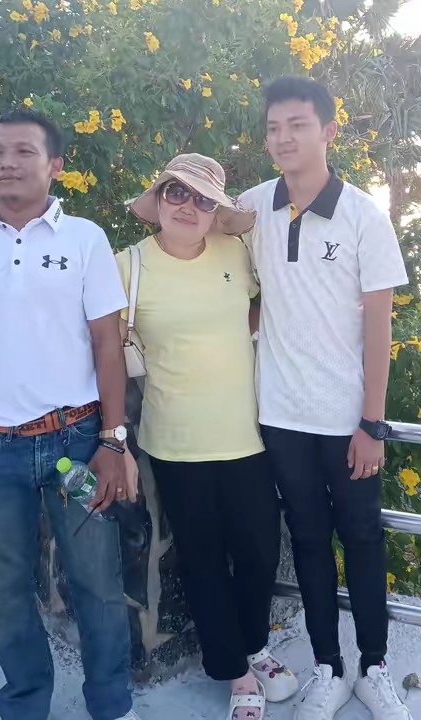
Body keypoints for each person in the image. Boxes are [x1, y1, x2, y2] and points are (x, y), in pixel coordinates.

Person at [0, 108, 142, 720]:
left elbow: (107, 344)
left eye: (23, 152)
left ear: (55, 165)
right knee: (5, 590)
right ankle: (23, 705)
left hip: (77, 442)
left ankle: (111, 705)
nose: (6, 163)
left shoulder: (85, 239)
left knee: (96, 583)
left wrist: (114, 440)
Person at [239, 77, 412, 720]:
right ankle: (328, 668)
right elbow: (209, 259)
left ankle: (375, 667)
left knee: (362, 537)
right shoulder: (252, 207)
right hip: (281, 415)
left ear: (329, 131)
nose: (282, 138)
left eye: (297, 125)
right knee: (309, 539)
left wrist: (372, 423)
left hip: (347, 420)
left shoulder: (364, 215)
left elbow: (378, 326)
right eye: (273, 128)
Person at [116, 154, 298, 720]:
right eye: (177, 193)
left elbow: (265, 305)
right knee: (203, 561)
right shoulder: (128, 267)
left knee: (260, 553)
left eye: (202, 199)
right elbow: (102, 354)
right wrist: (112, 438)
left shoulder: (233, 253)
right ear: (158, 199)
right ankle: (235, 671)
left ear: (216, 211)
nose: (188, 207)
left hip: (247, 436)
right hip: (176, 443)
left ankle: (255, 644)